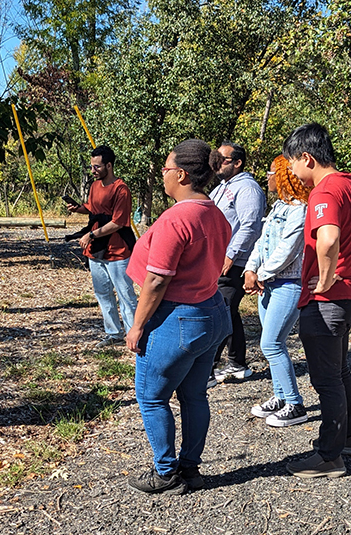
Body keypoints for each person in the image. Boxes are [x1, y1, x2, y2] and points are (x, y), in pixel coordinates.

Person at [124, 139, 232, 495]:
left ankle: (166, 473)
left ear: (182, 175)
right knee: (194, 394)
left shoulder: (177, 218)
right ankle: (190, 467)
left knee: (151, 396)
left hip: (179, 317)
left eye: (166, 168)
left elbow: (157, 279)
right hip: (212, 312)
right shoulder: (215, 213)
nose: (163, 174)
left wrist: (138, 325)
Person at [283, 123, 351, 478]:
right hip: (350, 294)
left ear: (307, 157)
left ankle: (329, 455)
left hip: (327, 298)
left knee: (326, 380)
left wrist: (322, 278)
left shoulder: (324, 192)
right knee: (339, 371)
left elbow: (328, 237)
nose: (292, 171)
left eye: (292, 162)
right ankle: (347, 438)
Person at [244, 155, 310, 427]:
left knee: (270, 344)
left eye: (271, 172)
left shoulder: (301, 210)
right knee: (274, 345)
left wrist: (261, 274)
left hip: (288, 285)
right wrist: (250, 269)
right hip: (267, 285)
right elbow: (262, 242)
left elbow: (288, 249)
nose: (267, 177)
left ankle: (295, 404)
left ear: (283, 175)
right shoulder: (279, 206)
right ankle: (280, 396)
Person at [66, 145, 138, 348]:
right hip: (96, 249)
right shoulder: (95, 186)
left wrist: (90, 235)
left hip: (118, 250)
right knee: (103, 293)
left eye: (97, 167)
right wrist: (78, 208)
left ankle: (134, 335)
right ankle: (113, 333)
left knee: (125, 294)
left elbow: (118, 222)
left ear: (109, 165)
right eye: (91, 167)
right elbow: (92, 209)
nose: (93, 171)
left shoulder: (121, 189)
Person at [208, 142, 265, 383]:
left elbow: (250, 225)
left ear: (237, 162)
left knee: (219, 311)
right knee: (227, 310)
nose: (216, 163)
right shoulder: (222, 187)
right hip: (219, 259)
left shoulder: (248, 189)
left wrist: (230, 255)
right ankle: (237, 363)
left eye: (222, 159)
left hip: (235, 262)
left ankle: (206, 369)